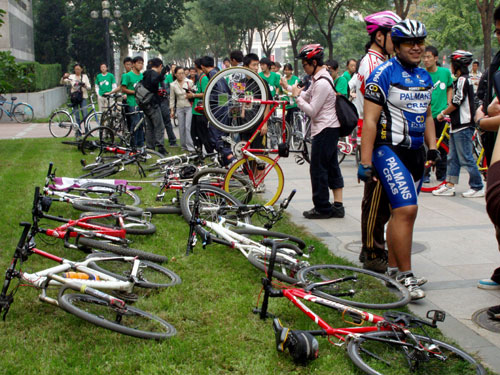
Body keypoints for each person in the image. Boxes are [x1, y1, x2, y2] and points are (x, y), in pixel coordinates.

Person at [359, 19, 438, 300]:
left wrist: (432, 147)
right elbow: (369, 120)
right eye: (409, 43)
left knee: (401, 214)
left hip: (415, 152)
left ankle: (394, 270)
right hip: (388, 150)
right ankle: (406, 275)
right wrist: (365, 162)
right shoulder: (382, 73)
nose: (416, 47)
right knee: (406, 210)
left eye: (421, 42)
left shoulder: (424, 76)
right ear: (397, 45)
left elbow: (427, 114)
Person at [355, 10, 402, 272]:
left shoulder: (377, 60)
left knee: (379, 197)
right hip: (377, 136)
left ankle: (372, 248)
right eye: (393, 36)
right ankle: (372, 251)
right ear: (380, 36)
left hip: (380, 137)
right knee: (375, 198)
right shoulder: (373, 64)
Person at [287, 44, 345, 219]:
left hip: (325, 129)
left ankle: (322, 208)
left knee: (318, 169)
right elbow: (305, 95)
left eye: (305, 64)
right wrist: (293, 91)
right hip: (326, 128)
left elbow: (312, 110)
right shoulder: (318, 79)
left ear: (313, 62)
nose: (304, 67)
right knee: (332, 165)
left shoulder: (322, 83)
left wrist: (296, 97)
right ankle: (338, 206)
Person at [432, 51, 484, 198]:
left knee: (466, 157)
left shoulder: (462, 80)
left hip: (463, 125)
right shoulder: (460, 80)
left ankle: (477, 186)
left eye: (453, 64)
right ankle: (449, 185)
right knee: (452, 157)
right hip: (456, 125)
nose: (451, 68)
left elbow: (457, 102)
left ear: (457, 65)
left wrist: (443, 114)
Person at [422, 45, 453, 183]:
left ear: (435, 58)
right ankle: (425, 173)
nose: (426, 60)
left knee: (442, 146)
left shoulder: (445, 73)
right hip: (426, 115)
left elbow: (449, 88)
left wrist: (447, 105)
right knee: (426, 146)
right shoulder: (421, 74)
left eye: (428, 57)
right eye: (424, 57)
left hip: (441, 116)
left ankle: (441, 174)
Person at [200, 55, 234, 166]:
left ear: (203, 67)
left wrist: (209, 102)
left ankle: (232, 163)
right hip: (224, 111)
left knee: (218, 139)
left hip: (220, 113)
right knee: (221, 140)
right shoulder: (216, 74)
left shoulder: (214, 75)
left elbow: (222, 94)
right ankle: (226, 165)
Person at [140, 58, 169, 155]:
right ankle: (160, 147)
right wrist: (161, 75)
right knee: (159, 126)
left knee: (150, 126)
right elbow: (154, 82)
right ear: (160, 66)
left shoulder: (146, 73)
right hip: (153, 103)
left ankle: (150, 147)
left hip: (145, 103)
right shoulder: (154, 74)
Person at [187, 58, 214, 153]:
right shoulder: (200, 77)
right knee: (194, 133)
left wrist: (193, 95)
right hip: (196, 110)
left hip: (201, 112)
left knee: (203, 135)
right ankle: (199, 153)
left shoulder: (204, 78)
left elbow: (206, 93)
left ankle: (210, 153)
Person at [60, 63, 92, 138]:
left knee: (85, 115)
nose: (77, 70)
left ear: (81, 69)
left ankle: (87, 132)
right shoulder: (71, 77)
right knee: (76, 116)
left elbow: (89, 87)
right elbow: (63, 82)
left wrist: (85, 85)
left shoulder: (85, 76)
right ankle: (78, 132)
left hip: (83, 97)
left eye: (78, 69)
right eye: (76, 69)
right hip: (75, 98)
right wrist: (64, 77)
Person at [121, 56, 145, 148]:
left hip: (141, 103)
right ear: (134, 64)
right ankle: (133, 144)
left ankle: (141, 143)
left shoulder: (142, 76)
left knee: (141, 124)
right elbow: (123, 89)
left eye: (142, 63)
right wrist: (135, 92)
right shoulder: (127, 75)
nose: (141, 65)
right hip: (132, 102)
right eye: (139, 63)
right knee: (135, 124)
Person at [169, 66, 195, 152]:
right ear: (175, 74)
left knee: (188, 127)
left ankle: (190, 146)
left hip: (189, 107)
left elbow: (194, 92)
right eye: (179, 73)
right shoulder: (173, 85)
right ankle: (183, 146)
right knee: (181, 127)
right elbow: (172, 98)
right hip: (179, 107)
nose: (181, 75)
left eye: (182, 73)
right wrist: (172, 110)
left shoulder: (189, 82)